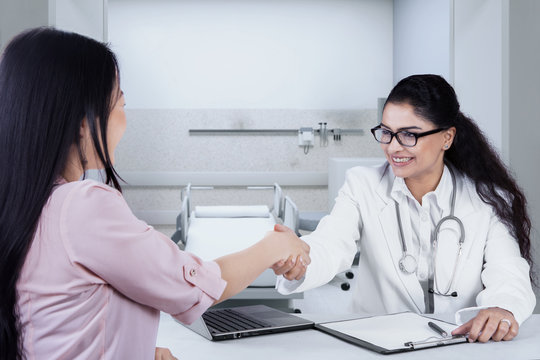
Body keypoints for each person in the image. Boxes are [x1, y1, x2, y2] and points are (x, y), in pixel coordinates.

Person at [0, 28, 310, 360]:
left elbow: (63, 325)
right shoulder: (80, 205)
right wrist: (274, 246)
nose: (124, 116)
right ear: (83, 121)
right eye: (120, 101)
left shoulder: (27, 205)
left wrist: (139, 351)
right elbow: (190, 285)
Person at [273, 74, 536, 343]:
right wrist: (301, 261)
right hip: (378, 343)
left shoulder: (486, 199)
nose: (393, 147)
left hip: (459, 345)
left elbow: (508, 270)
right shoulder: (363, 185)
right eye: (386, 132)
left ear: (447, 137)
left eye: (409, 134)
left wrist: (501, 307)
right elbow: (331, 243)